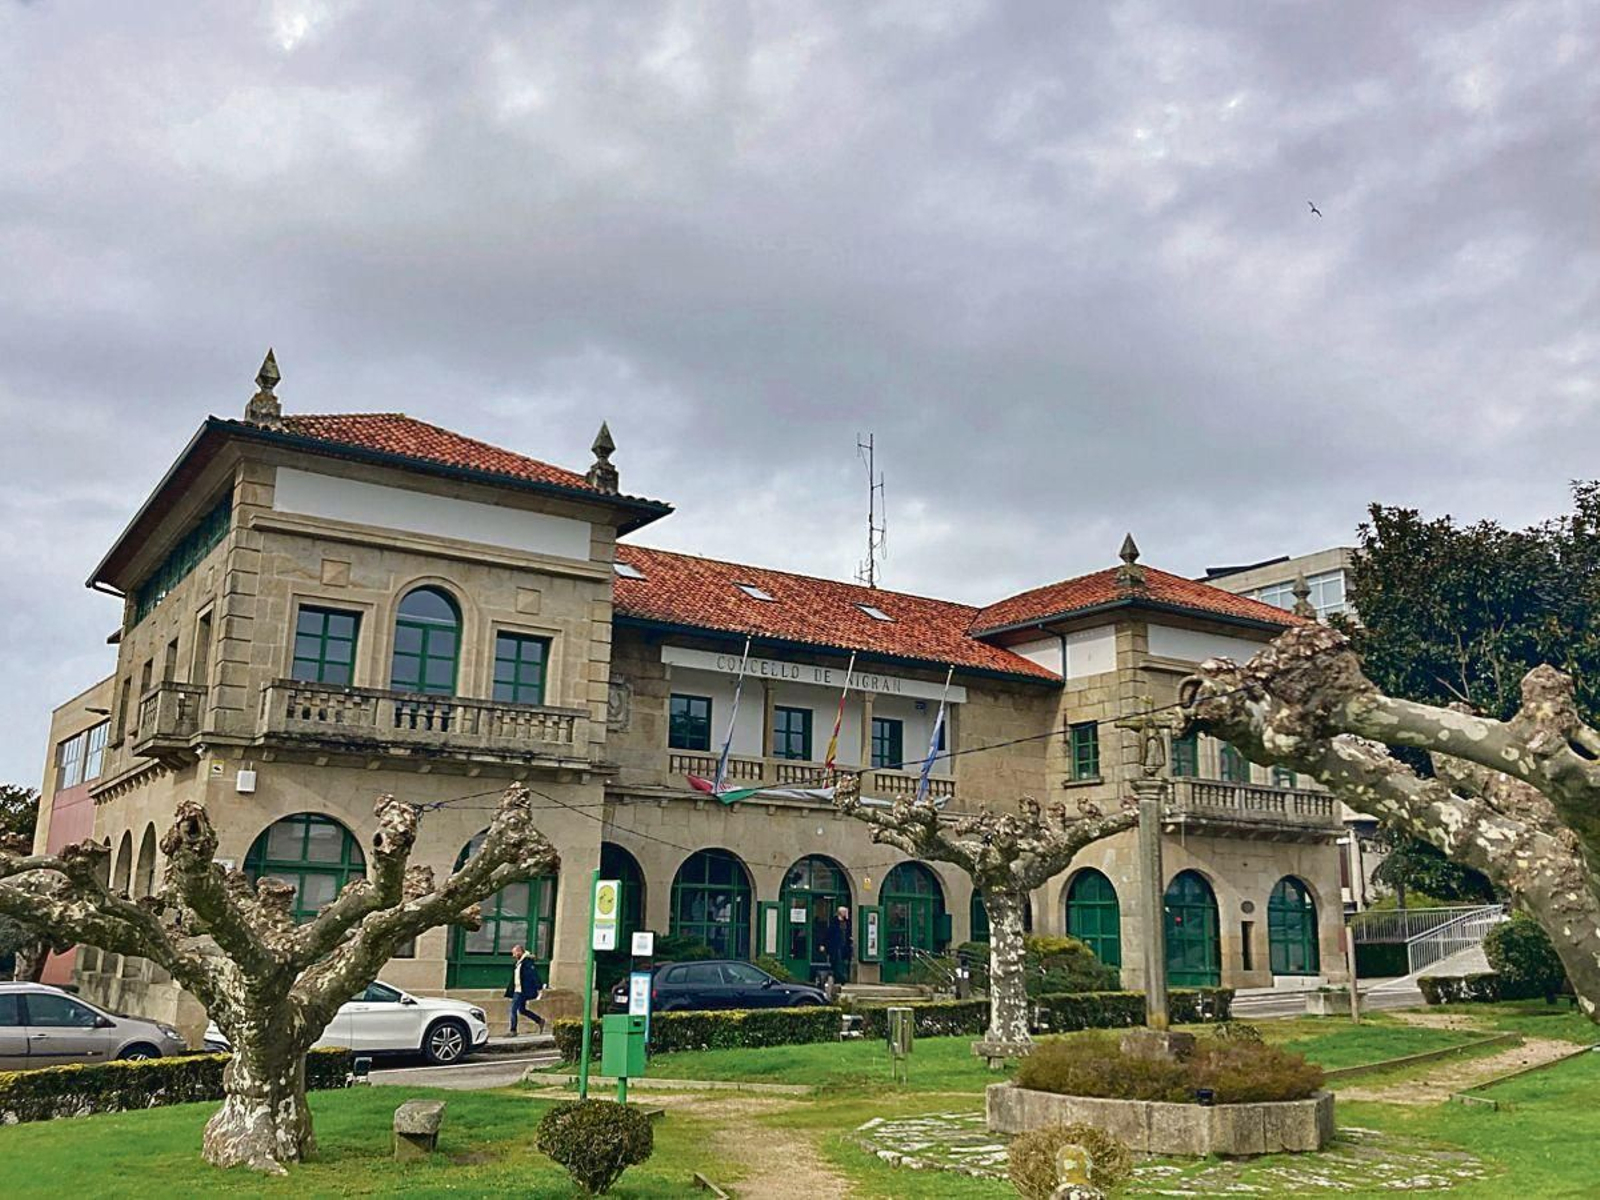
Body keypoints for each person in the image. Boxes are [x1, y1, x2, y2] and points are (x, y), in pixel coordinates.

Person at [505, 944, 546, 1035]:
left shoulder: (527, 962)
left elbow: (533, 975)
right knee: (522, 1010)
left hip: (522, 990)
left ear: (520, 952)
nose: (513, 955)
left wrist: (539, 987)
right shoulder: (518, 962)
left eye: (514, 953)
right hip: (518, 989)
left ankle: (513, 1030)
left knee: (513, 1009)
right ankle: (539, 1020)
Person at [826, 905, 853, 986]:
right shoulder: (834, 921)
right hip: (835, 945)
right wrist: (824, 944)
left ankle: (843, 978)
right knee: (837, 962)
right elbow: (829, 933)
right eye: (844, 912)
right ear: (840, 912)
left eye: (846, 912)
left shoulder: (847, 922)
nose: (845, 913)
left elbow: (849, 932)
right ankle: (839, 978)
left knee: (843, 962)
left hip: (845, 946)